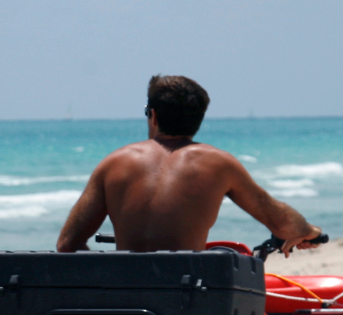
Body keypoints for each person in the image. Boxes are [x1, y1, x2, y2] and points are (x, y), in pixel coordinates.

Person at [57, 75, 322, 257]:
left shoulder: (114, 163)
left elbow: (68, 245)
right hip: (186, 304)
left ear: (154, 115)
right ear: (198, 118)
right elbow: (284, 225)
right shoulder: (219, 164)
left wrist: (112, 277)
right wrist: (308, 231)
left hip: (126, 302)